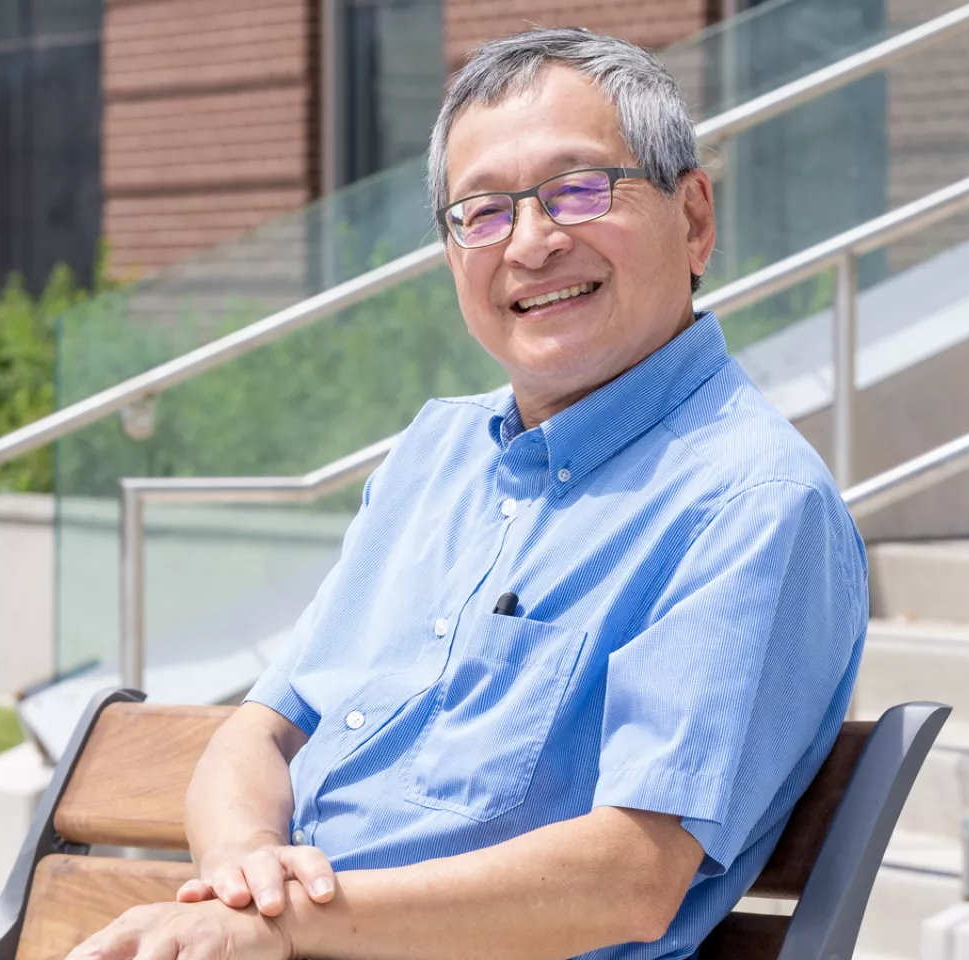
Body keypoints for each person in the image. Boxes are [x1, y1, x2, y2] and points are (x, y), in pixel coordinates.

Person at [68, 26, 867, 960]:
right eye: (481, 212)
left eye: (577, 189)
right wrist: (247, 872)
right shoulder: (434, 455)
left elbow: (629, 878)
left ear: (693, 218)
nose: (530, 243)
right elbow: (262, 734)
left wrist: (278, 925)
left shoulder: (749, 506)